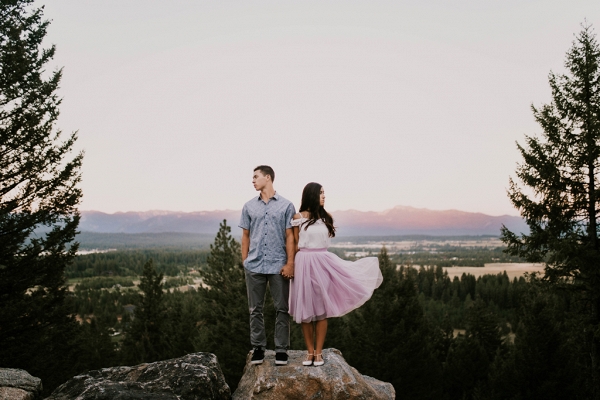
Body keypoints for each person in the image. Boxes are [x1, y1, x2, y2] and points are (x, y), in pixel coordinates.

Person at [289, 182, 383, 366]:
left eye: (324, 193)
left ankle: (318, 353)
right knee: (306, 309)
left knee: (322, 310)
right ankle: (309, 352)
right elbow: (294, 243)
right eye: (321, 193)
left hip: (323, 262)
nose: (324, 196)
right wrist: (291, 265)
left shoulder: (326, 218)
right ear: (311, 195)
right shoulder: (298, 217)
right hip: (303, 263)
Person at [239, 165, 296, 366]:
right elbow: (245, 235)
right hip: (254, 265)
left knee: (282, 308)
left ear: (268, 177)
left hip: (278, 265)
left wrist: (290, 263)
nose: (252, 180)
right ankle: (258, 348)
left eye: (256, 176)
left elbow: (290, 237)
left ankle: (281, 349)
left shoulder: (287, 206)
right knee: (255, 309)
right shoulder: (248, 206)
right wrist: (245, 261)